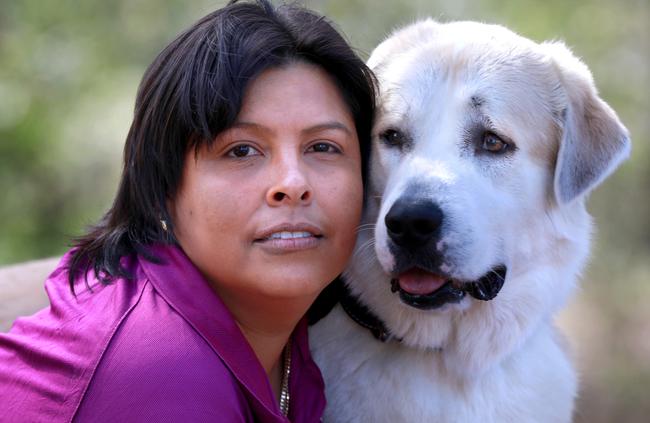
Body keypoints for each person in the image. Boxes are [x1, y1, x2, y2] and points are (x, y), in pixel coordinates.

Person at [0, 1, 376, 421]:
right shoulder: (162, 375)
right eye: (242, 151)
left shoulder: (287, 339)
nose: (292, 184)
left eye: (323, 147)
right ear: (163, 188)